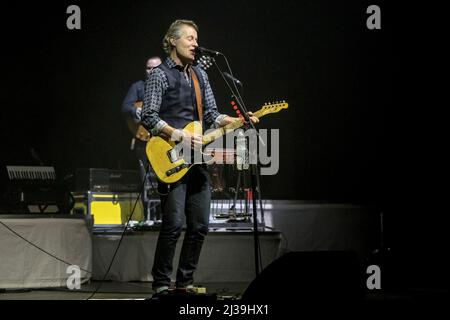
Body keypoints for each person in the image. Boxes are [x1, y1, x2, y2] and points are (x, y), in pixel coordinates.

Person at [141, 19, 258, 296]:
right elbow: (148, 117)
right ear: (172, 41)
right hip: (170, 157)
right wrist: (178, 135)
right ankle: (161, 284)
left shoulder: (199, 76)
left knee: (200, 225)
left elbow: (212, 116)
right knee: (173, 224)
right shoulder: (159, 75)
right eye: (190, 38)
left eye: (197, 38)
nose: (196, 43)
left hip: (197, 158)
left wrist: (237, 119)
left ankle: (184, 283)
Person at [121, 56, 162, 223]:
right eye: (148, 68)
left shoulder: (168, 88)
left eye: (155, 68)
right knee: (145, 179)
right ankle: (148, 216)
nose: (151, 71)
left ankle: (163, 216)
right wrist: (134, 111)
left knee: (163, 178)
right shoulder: (138, 87)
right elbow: (124, 106)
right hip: (143, 142)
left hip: (163, 141)